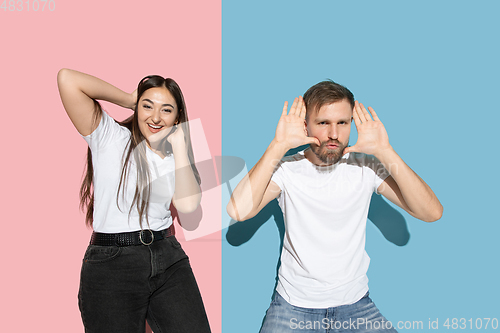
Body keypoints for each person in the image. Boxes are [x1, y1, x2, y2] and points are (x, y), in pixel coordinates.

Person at [227, 80, 443, 332]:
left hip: (356, 305)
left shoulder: (367, 166)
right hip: (292, 306)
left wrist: (385, 151)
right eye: (323, 123)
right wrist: (278, 145)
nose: (333, 134)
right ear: (305, 125)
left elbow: (432, 213)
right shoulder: (287, 168)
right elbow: (238, 211)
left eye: (342, 123)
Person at [57, 69, 212, 333]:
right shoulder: (110, 137)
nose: (155, 117)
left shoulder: (175, 158)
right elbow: (67, 79)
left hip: (168, 257)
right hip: (112, 263)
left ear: (177, 117)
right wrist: (129, 99)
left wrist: (179, 145)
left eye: (166, 110)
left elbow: (187, 206)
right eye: (147, 106)